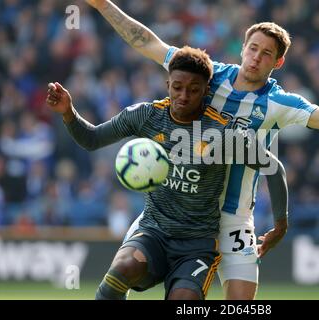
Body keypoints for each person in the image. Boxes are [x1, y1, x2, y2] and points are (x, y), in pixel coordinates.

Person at [85, 0, 319, 300]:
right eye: (253, 48)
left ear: (278, 62)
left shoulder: (279, 103)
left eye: (266, 54)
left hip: (237, 220)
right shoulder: (208, 76)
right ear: (243, 49)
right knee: (129, 274)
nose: (256, 57)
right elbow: (146, 41)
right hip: (183, 211)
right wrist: (103, 6)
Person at [46, 46, 288, 300]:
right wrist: (68, 113)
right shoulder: (146, 116)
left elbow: (274, 168)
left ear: (206, 91)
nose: (183, 96)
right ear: (167, 84)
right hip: (153, 231)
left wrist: (280, 225)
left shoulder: (223, 132)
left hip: (197, 244)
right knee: (122, 270)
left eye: (194, 90)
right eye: (177, 87)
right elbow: (92, 139)